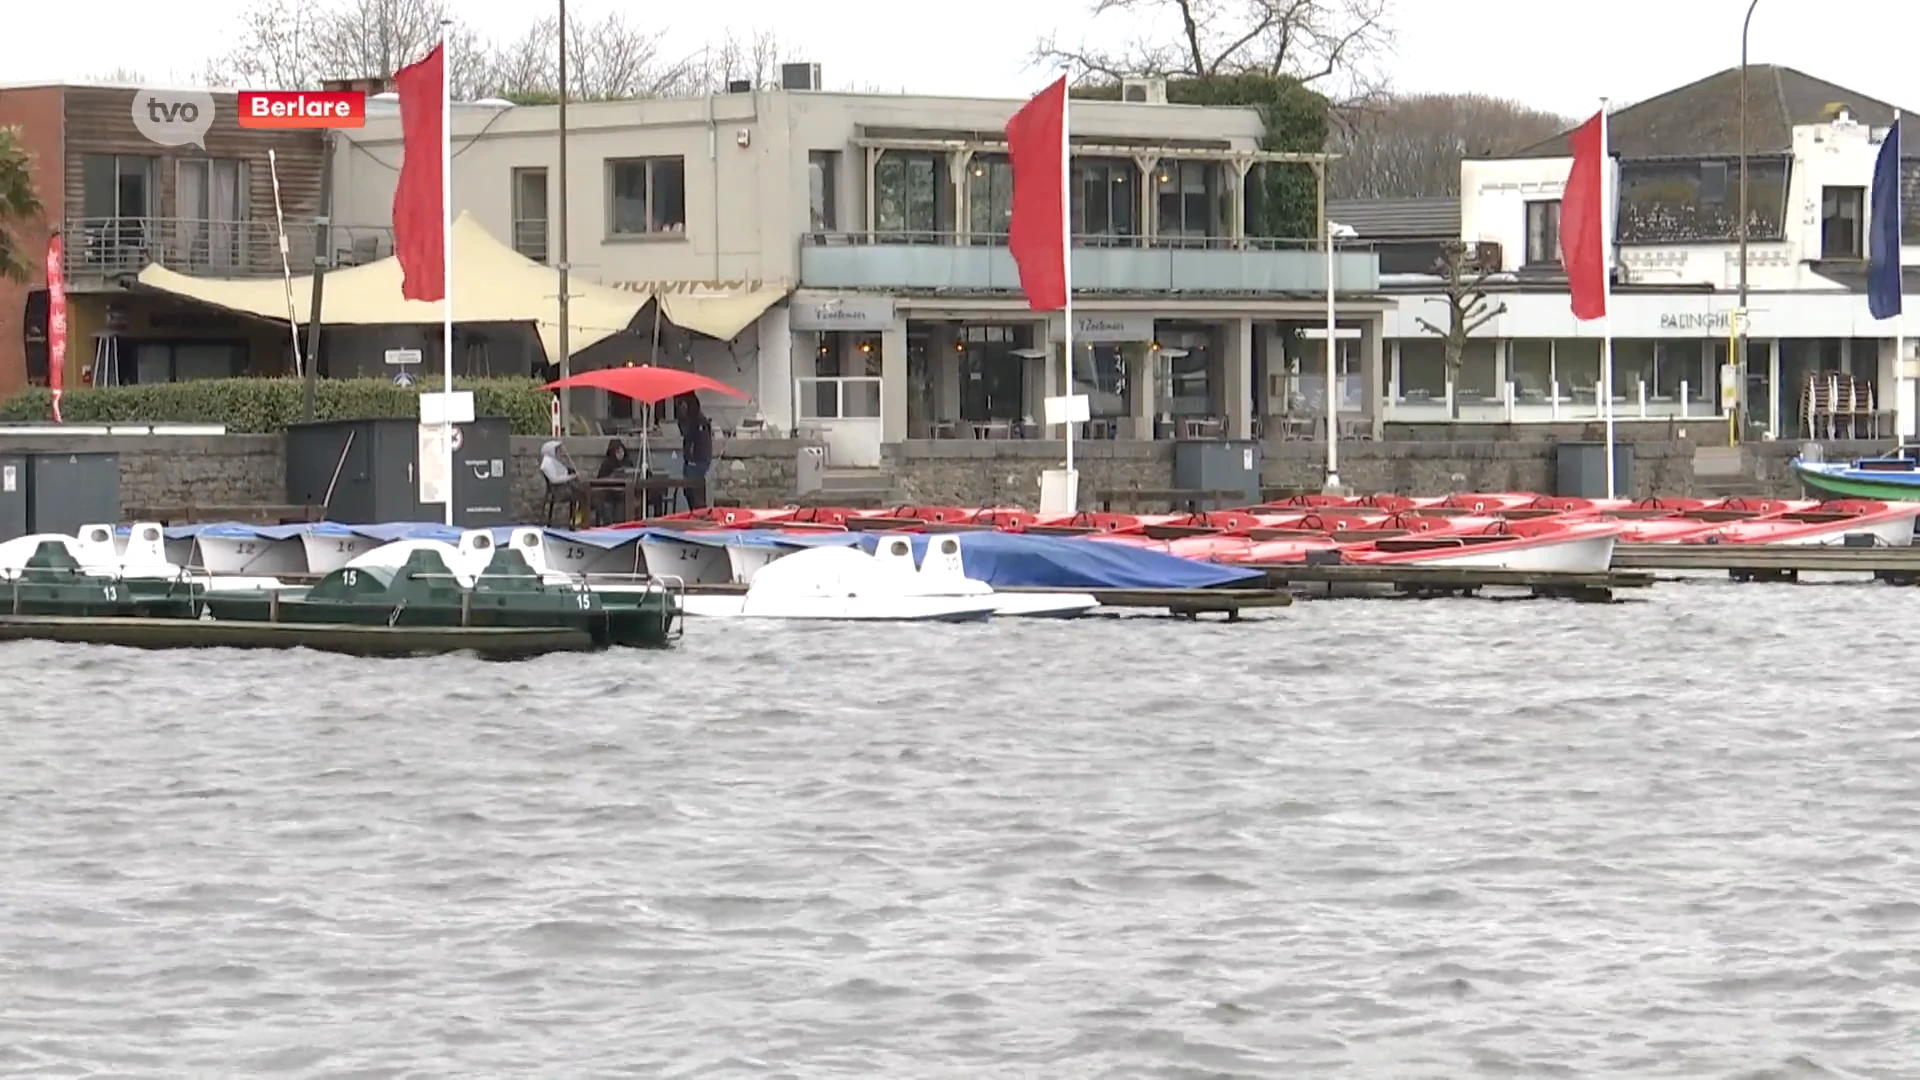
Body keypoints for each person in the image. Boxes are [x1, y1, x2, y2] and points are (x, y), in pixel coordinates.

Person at [675, 393, 714, 511]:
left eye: (682, 404)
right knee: (688, 493)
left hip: (697, 463)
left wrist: (695, 461)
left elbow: (702, 446)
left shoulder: (699, 422)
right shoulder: (689, 421)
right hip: (690, 463)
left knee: (696, 498)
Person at [539, 439, 589, 527]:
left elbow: (564, 471)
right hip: (558, 490)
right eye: (557, 450)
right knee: (581, 493)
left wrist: (572, 473)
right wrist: (570, 477)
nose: (559, 452)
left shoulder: (553, 461)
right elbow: (554, 480)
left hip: (564, 487)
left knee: (585, 490)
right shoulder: (546, 464)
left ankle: (580, 518)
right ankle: (578, 520)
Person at [593, 439, 630, 524]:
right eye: (618, 452)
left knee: (622, 506)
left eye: (622, 451)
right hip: (608, 495)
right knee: (608, 505)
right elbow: (599, 481)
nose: (621, 454)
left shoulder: (627, 462)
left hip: (623, 495)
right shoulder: (607, 464)